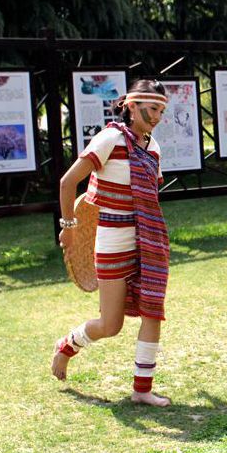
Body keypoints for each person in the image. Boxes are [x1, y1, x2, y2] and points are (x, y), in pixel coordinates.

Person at [52, 79, 172, 407]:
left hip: (147, 243)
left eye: (162, 110)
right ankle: (66, 347)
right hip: (112, 243)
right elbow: (67, 182)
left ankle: (142, 389)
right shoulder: (110, 139)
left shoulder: (153, 148)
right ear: (132, 105)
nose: (157, 116)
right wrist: (69, 227)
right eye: (152, 109)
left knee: (152, 312)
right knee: (110, 324)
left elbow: (148, 202)